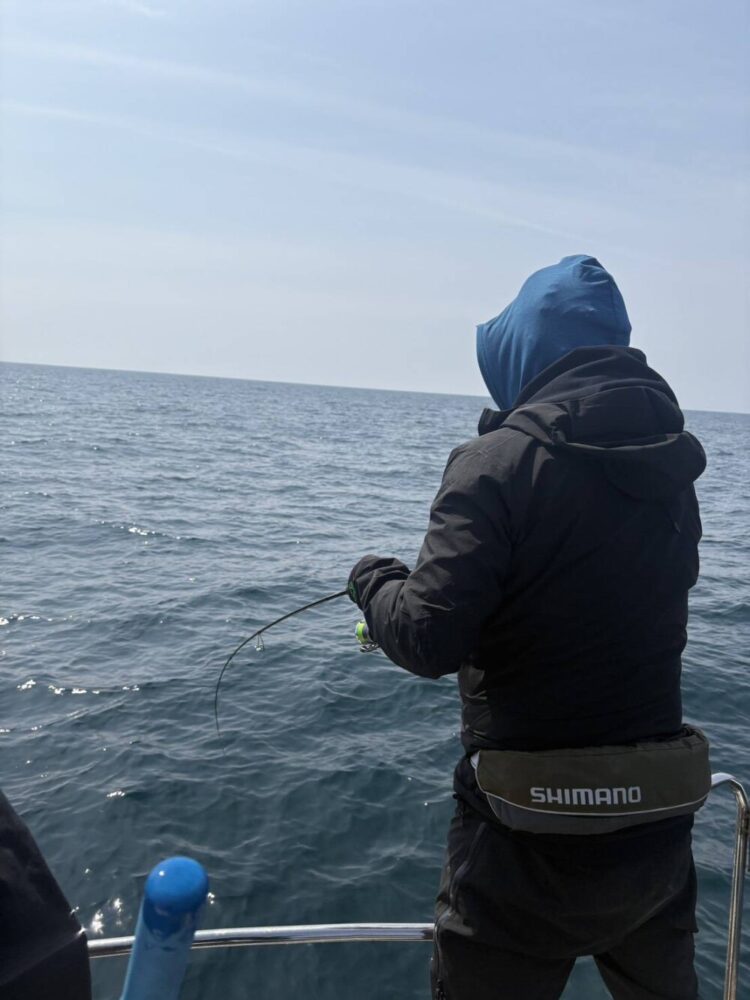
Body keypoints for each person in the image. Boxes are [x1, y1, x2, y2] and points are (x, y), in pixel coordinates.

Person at [347, 255, 707, 999]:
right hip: (655, 842)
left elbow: (426, 637)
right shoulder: (672, 472)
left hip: (521, 851)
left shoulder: (493, 464)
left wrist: (372, 581)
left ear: (528, 354)